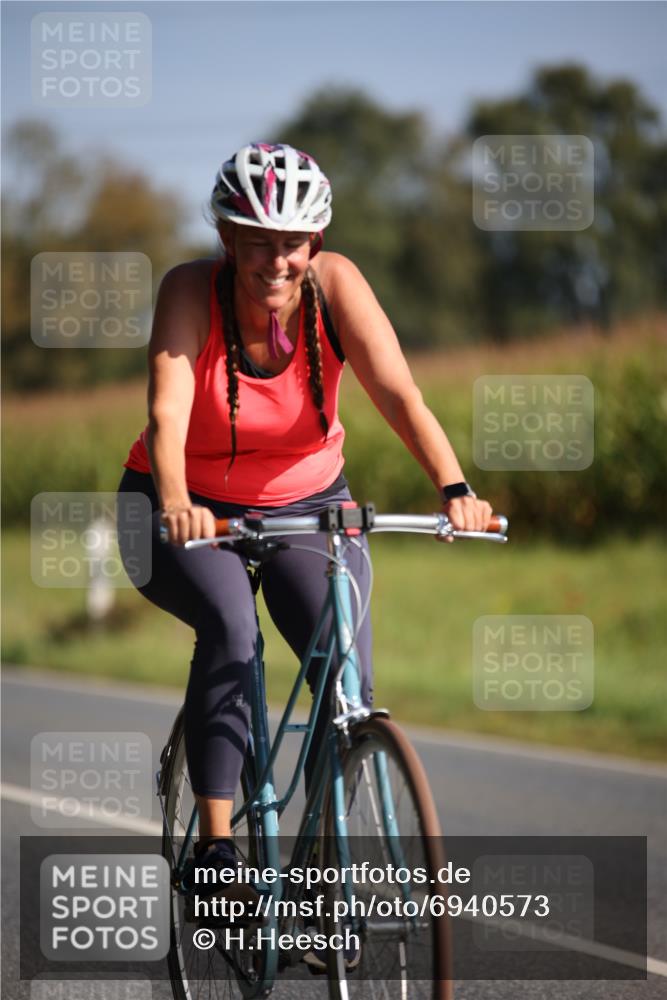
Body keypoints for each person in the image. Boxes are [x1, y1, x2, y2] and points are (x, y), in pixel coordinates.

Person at [117, 141, 492, 879]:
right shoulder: (190, 291)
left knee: (346, 681)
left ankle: (325, 864)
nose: (276, 261)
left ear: (314, 241)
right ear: (228, 238)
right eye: (257, 242)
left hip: (308, 507)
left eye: (291, 242)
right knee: (230, 626)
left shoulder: (336, 286)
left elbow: (399, 395)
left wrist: (455, 490)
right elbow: (167, 413)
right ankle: (216, 849)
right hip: (176, 505)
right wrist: (176, 502)